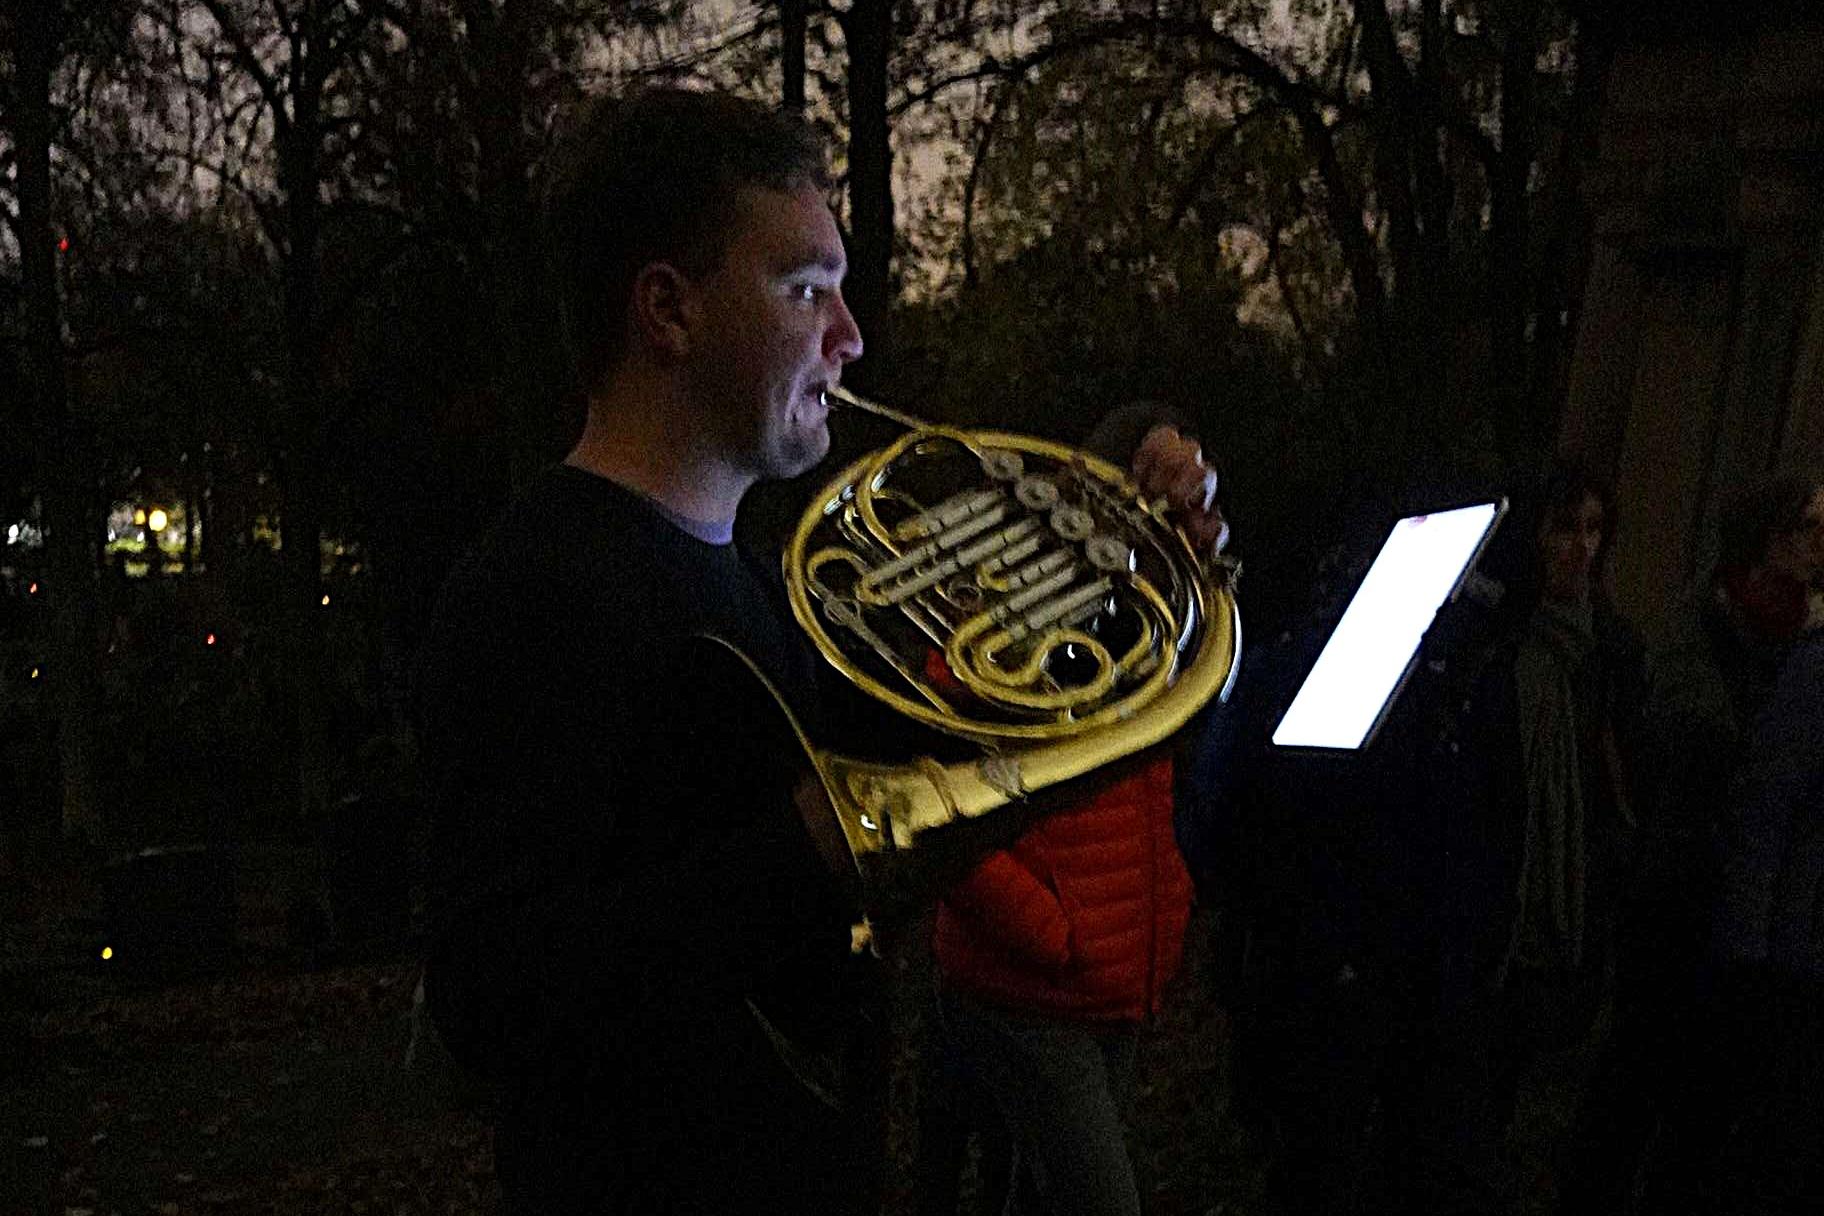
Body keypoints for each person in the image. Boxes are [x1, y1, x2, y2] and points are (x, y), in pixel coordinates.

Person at [413, 88, 873, 1213]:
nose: (849, 337)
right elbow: (488, 998)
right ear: (668, 311)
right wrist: (803, 849)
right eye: (805, 289)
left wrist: (1130, 564)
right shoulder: (529, 592)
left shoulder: (758, 583)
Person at [915, 410, 1229, 1216]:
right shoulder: (1009, 608)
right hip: (1031, 987)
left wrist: (1209, 577)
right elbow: (936, 790)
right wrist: (1050, 931)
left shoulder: (1157, 617)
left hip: (1110, 981)